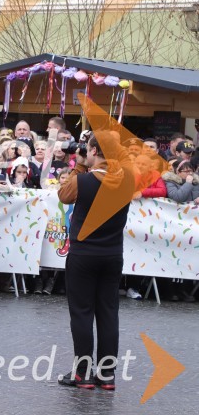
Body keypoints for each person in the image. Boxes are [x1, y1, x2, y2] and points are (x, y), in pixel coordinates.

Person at [57, 131, 135, 390]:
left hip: (84, 254)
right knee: (108, 313)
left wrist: (79, 165)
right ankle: (107, 374)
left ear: (92, 151)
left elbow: (63, 195)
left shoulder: (84, 180)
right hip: (112, 254)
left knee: (81, 313)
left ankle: (82, 373)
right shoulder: (127, 181)